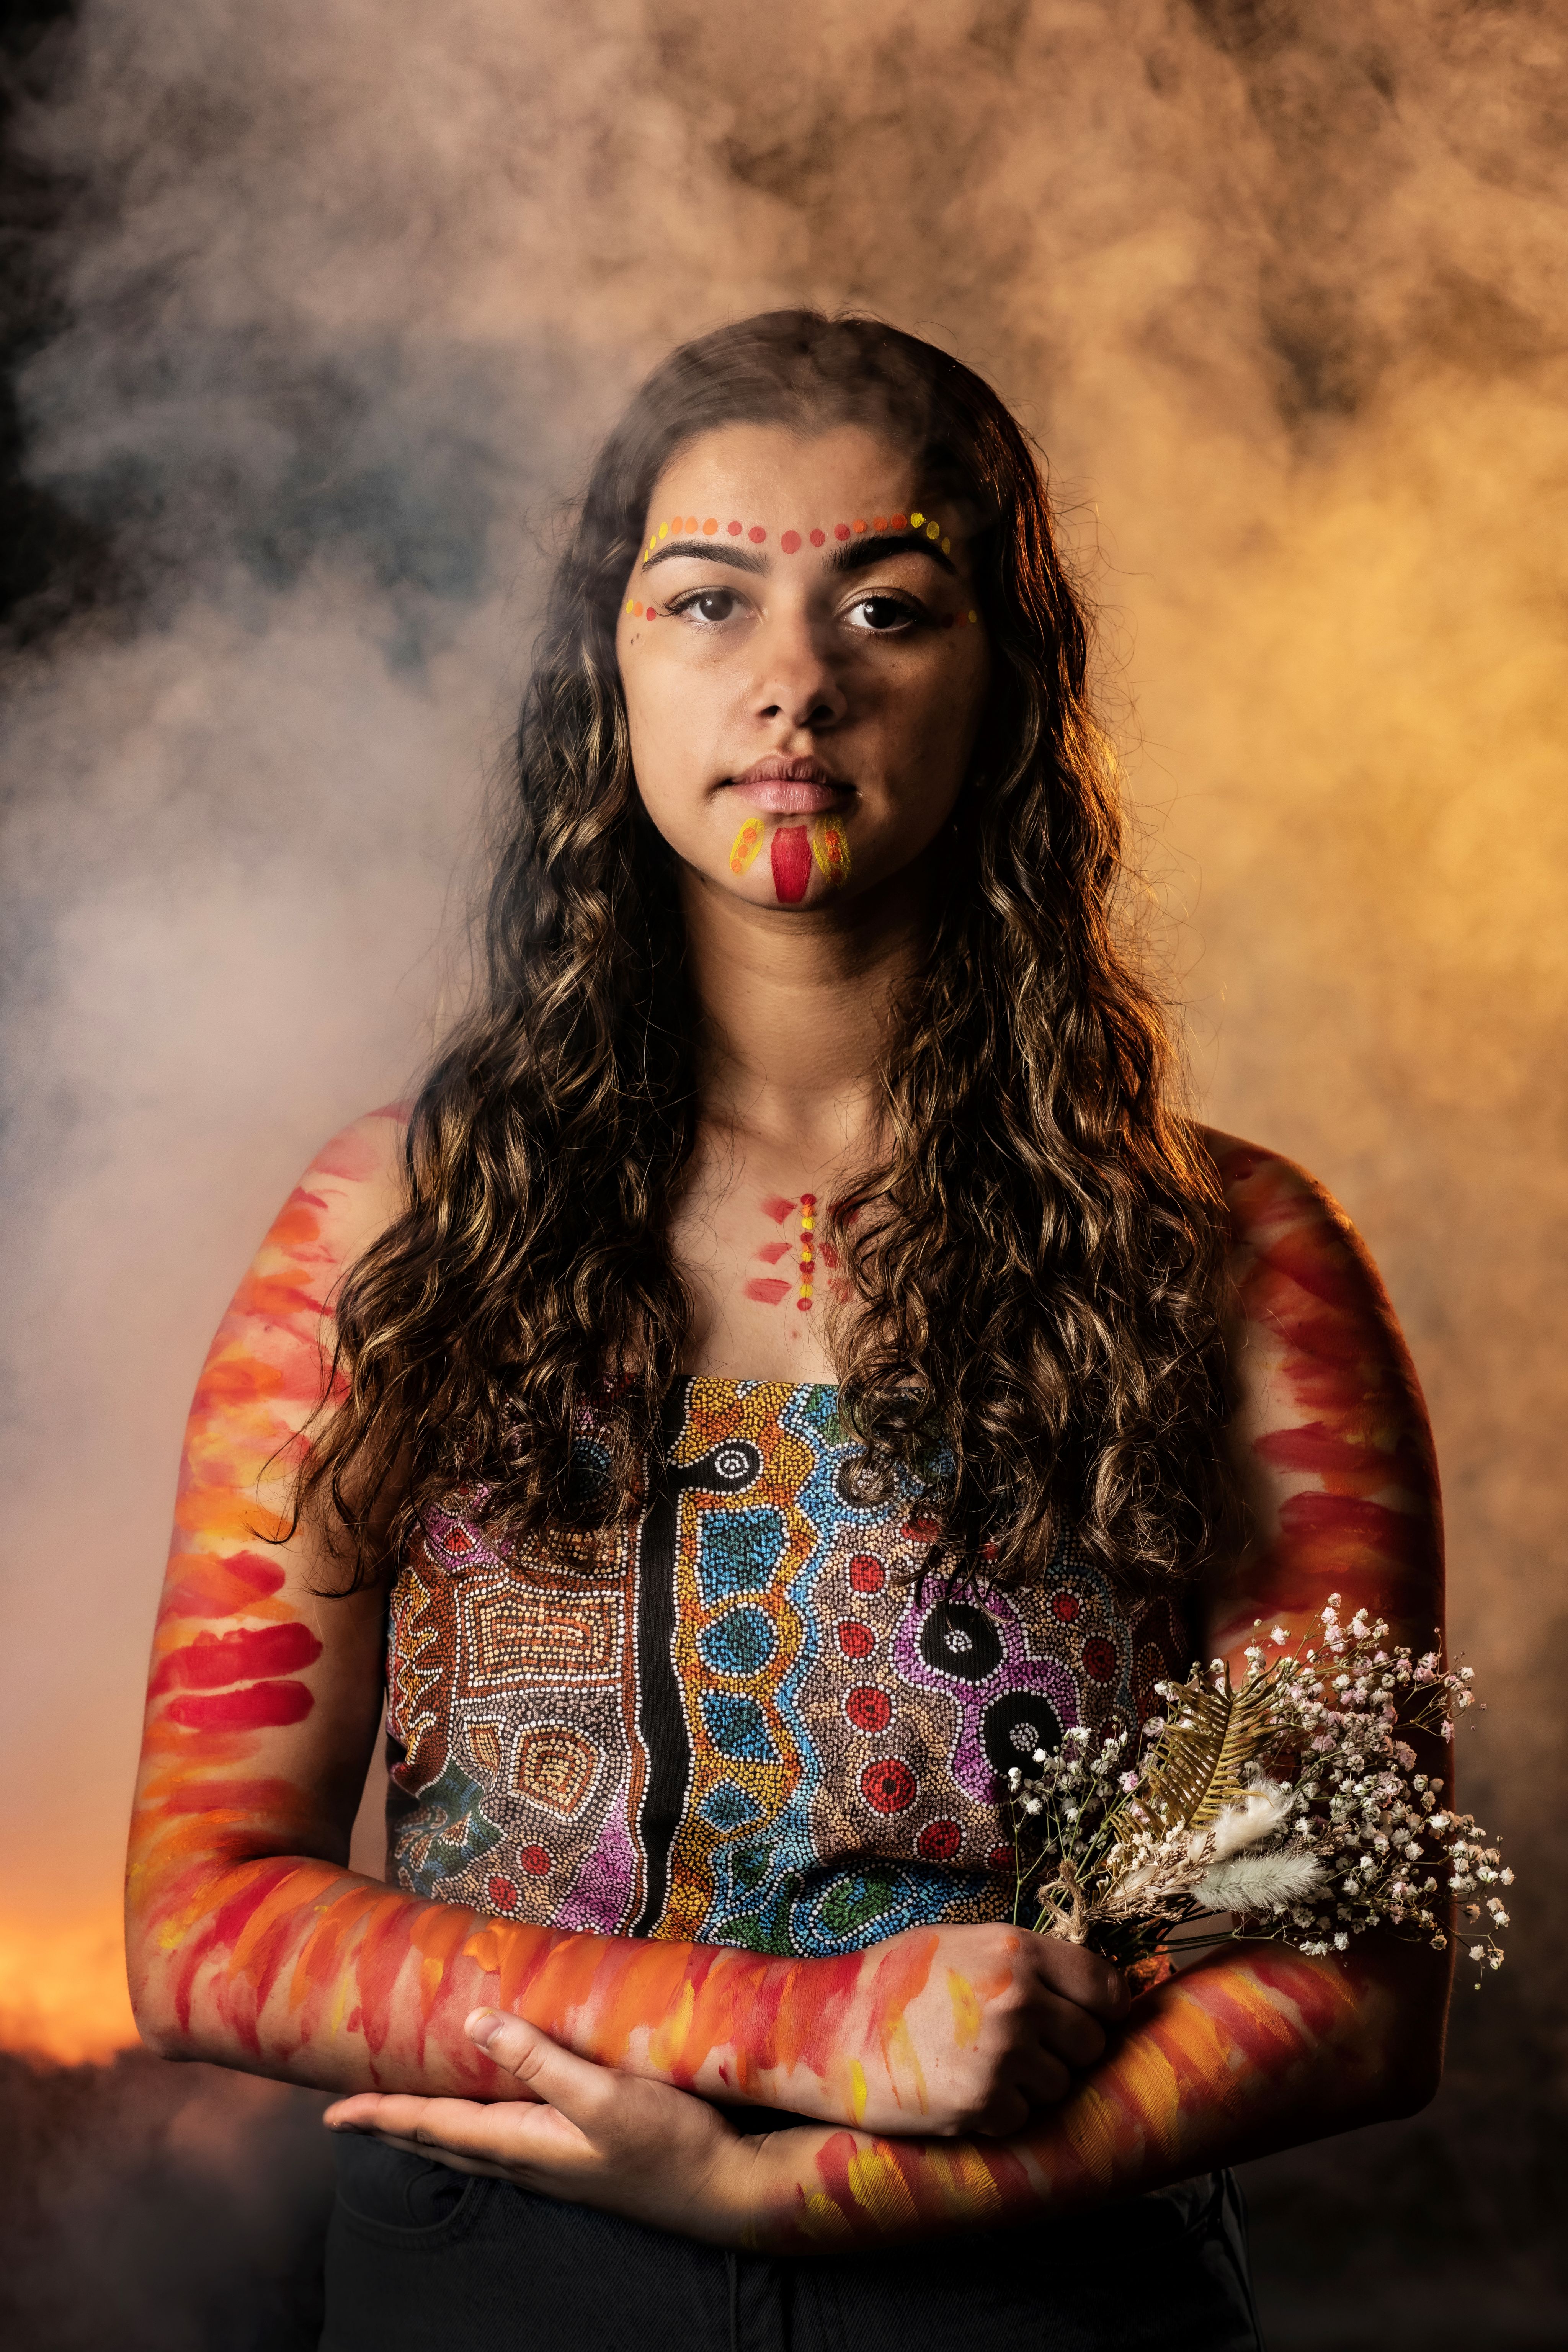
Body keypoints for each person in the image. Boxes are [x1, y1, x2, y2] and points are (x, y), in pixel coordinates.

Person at [125, 312, 1449, 2352]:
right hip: (509, 2280)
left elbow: (1355, 1978)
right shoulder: (394, 1223)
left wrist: (807, 2199)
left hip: (1043, 2288)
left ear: (1009, 683)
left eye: (888, 606)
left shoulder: (1236, 1257)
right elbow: (202, 1920)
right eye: (708, 598)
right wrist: (796, 2038)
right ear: (609, 669)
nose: (796, 677)